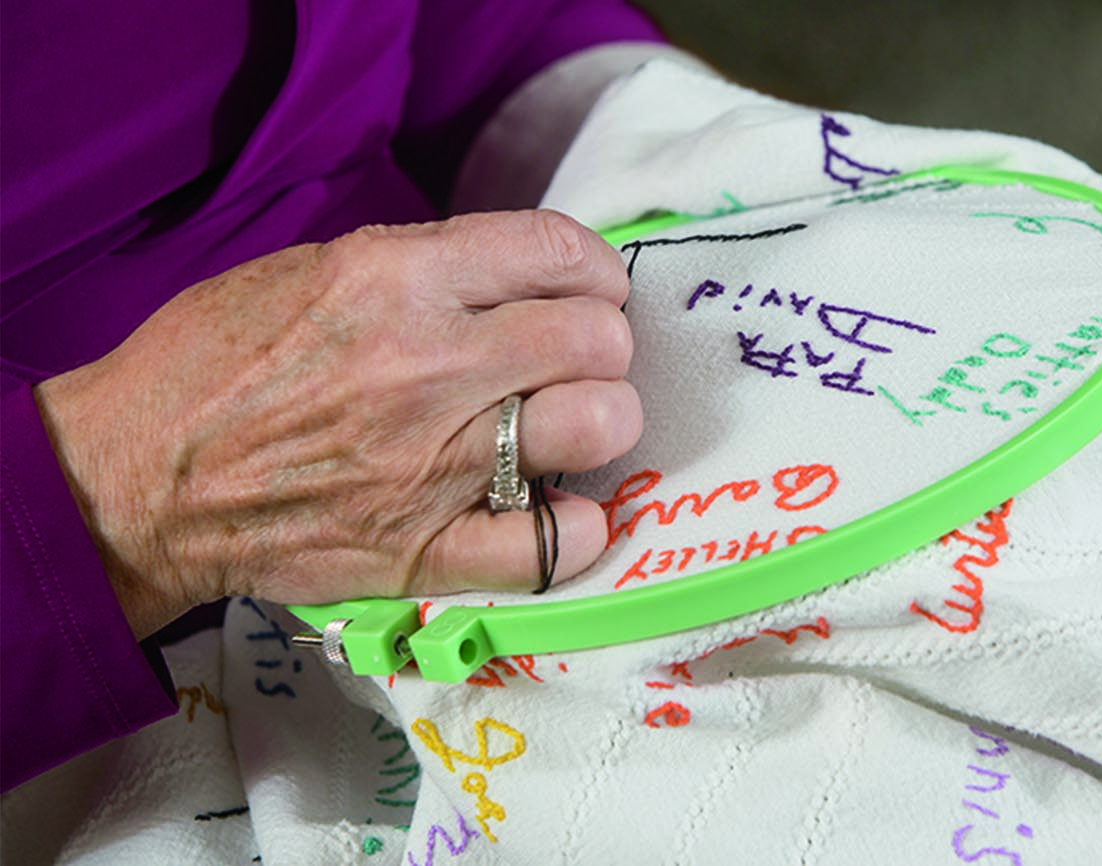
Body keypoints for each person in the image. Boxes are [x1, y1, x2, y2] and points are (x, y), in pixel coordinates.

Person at [1, 0, 687, 792]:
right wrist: (130, 500)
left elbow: (452, 31)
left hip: (524, 337)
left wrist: (648, 127)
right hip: (112, 722)